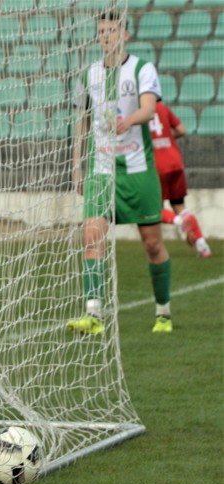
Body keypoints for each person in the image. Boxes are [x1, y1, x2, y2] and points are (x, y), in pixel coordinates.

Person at [68, 11, 173, 335]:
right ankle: (93, 315)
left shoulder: (141, 69)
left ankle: (163, 312)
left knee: (152, 244)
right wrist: (76, 169)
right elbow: (82, 123)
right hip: (100, 168)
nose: (106, 36)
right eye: (101, 31)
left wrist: (129, 120)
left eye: (112, 30)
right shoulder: (90, 75)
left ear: (124, 35)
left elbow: (149, 108)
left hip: (138, 170)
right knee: (91, 236)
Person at [148, 101, 212, 258]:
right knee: (179, 206)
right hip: (175, 161)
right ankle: (203, 247)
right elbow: (182, 130)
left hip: (157, 165)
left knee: (153, 209)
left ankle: (179, 221)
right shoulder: (162, 107)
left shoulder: (140, 110)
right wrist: (168, 137)